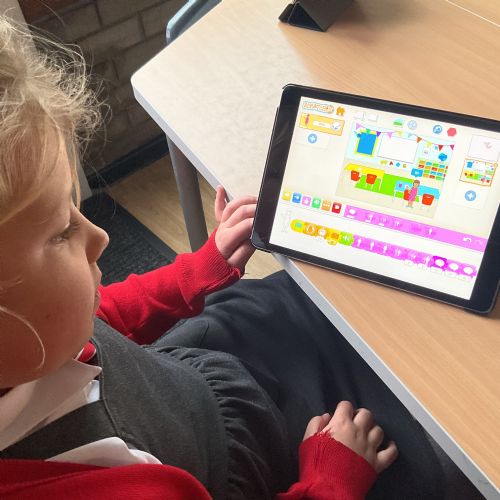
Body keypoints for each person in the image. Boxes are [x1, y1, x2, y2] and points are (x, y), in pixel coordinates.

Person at [0, 15, 483, 500]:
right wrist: (329, 479)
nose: (100, 236)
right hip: (243, 465)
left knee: (299, 293)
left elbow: (99, 316)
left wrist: (198, 268)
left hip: (188, 386)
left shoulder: (29, 343)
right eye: (61, 231)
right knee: (447, 445)